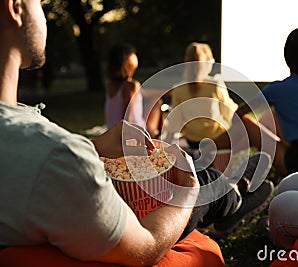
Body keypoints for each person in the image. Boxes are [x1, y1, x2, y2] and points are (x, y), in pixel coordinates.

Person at [0, 1, 275, 266]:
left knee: (170, 177)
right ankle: (231, 193)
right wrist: (188, 190)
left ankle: (228, 191)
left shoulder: (35, 142)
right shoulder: (58, 158)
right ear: (14, 6)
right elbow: (145, 247)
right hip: (140, 218)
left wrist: (92, 146)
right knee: (191, 182)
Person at [211, 28, 298, 176]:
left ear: (287, 57)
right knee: (275, 113)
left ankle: (209, 151)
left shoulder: (278, 89)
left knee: (246, 123)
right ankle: (214, 153)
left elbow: (240, 113)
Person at [169, 42, 238, 149]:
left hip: (192, 140)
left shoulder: (178, 89)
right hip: (216, 138)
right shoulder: (215, 85)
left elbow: (175, 123)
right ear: (208, 63)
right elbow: (229, 113)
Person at [105, 43, 162, 138]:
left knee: (154, 100)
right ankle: (157, 137)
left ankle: (157, 136)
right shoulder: (132, 86)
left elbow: (145, 93)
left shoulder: (110, 85)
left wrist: (169, 91)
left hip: (113, 133)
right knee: (157, 102)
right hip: (134, 134)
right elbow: (127, 117)